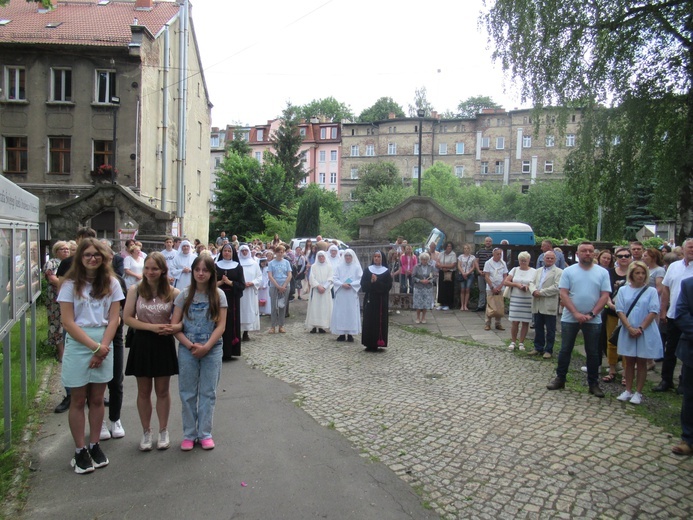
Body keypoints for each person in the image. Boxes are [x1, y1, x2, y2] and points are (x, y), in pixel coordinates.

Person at [57, 238, 125, 473]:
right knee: (78, 399)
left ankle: (95, 444)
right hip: (79, 342)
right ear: (80, 258)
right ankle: (79, 450)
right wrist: (95, 348)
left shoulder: (112, 283)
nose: (92, 258)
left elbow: (114, 318)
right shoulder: (69, 285)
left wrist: (103, 347)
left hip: (104, 341)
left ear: (104, 258)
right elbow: (67, 321)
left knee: (97, 398)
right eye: (87, 255)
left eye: (97, 254)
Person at [123, 252, 181, 451]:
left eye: (154, 268)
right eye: (147, 268)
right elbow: (127, 318)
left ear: (163, 270)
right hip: (143, 341)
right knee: (144, 391)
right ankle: (146, 431)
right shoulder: (135, 290)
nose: (150, 272)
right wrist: (151, 328)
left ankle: (163, 430)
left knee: (163, 391)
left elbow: (182, 319)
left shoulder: (174, 292)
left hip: (164, 342)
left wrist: (173, 327)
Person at [172, 255, 227, 451]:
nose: (201, 273)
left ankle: (204, 433)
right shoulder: (184, 295)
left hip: (212, 349)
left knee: (208, 392)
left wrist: (206, 347)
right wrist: (189, 345)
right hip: (188, 349)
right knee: (187, 393)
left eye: (205, 270)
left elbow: (220, 326)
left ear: (212, 273)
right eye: (197, 270)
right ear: (193, 271)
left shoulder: (219, 295)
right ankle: (189, 434)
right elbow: (175, 326)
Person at [547, 242, 611, 398]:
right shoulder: (569, 271)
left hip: (593, 319)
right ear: (578, 253)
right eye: (584, 251)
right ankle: (560, 378)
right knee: (565, 349)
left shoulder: (602, 272)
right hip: (570, 318)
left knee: (593, 353)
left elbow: (604, 295)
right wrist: (575, 313)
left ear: (594, 254)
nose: (587, 253)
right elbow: (563, 293)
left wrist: (592, 313)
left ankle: (593, 383)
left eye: (590, 251)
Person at [54, 227, 97, 414]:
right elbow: (61, 287)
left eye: (90, 238)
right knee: (72, 358)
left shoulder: (99, 264)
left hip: (94, 321)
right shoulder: (67, 263)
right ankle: (70, 394)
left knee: (96, 361)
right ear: (78, 240)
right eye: (83, 238)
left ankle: (94, 394)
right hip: (74, 318)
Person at [615, 261, 663, 405]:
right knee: (629, 362)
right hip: (628, 329)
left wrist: (641, 328)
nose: (640, 276)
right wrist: (629, 327)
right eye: (637, 273)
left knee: (641, 362)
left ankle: (638, 392)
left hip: (645, 330)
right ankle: (628, 389)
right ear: (631, 274)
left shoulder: (651, 291)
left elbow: (653, 311)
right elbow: (620, 310)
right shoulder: (624, 290)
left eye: (643, 273)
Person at [654, 238, 693, 392]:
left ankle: (684, 382)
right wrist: (663, 310)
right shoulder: (674, 267)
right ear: (682, 250)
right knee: (670, 349)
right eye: (690, 247)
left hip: (690, 318)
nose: (692, 250)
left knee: (688, 351)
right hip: (673, 314)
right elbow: (666, 290)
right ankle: (666, 380)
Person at [602, 246, 632, 383]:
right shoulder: (609, 273)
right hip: (612, 311)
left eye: (626, 255)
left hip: (630, 313)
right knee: (611, 341)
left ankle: (627, 372)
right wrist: (611, 304)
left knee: (627, 343)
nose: (624, 258)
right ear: (616, 258)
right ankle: (612, 369)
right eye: (620, 256)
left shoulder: (635, 272)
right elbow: (605, 291)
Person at [528, 251, 563, 358]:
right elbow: (531, 282)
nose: (549, 260)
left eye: (552, 258)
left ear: (555, 260)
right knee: (538, 327)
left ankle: (549, 350)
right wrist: (533, 291)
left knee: (550, 329)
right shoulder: (537, 271)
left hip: (549, 303)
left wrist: (541, 292)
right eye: (547, 258)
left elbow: (557, 287)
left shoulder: (559, 272)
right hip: (537, 303)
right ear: (543, 259)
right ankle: (538, 347)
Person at [673, 276, 693, 455]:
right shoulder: (688, 284)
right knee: (690, 395)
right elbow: (681, 313)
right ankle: (688, 438)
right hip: (692, 349)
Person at [215, 243, 245, 360]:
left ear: (233, 253)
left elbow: (241, 285)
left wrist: (229, 282)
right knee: (218, 322)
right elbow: (211, 284)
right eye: (225, 251)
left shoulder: (238, 266)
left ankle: (230, 351)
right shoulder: (216, 265)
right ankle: (218, 350)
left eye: (229, 251)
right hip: (218, 297)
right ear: (222, 252)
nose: (227, 253)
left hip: (232, 299)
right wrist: (222, 283)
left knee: (230, 324)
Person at [43, 241, 70, 361]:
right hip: (56, 298)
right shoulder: (51, 263)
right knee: (57, 323)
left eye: (67, 249)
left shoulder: (71, 263)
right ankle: (61, 353)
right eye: (62, 249)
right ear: (56, 251)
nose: (65, 251)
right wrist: (72, 286)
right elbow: (53, 279)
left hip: (69, 297)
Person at [361, 250, 393, 352]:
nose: (376, 258)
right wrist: (371, 281)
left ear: (382, 258)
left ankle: (378, 342)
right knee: (369, 321)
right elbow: (363, 285)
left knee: (379, 321)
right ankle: (368, 343)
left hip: (380, 301)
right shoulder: (368, 270)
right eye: (375, 256)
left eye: (378, 256)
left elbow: (387, 287)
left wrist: (377, 281)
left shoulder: (386, 272)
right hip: (370, 300)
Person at [504, 251, 536, 351]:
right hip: (516, 298)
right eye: (521, 261)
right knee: (515, 321)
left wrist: (528, 286)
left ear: (529, 261)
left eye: (525, 261)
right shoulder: (514, 270)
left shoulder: (534, 271)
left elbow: (536, 284)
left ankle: (521, 342)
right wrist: (517, 285)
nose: (523, 263)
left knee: (525, 322)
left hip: (527, 299)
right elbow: (506, 281)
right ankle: (513, 341)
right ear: (518, 261)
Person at [331, 249, 362, 342]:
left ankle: (350, 333)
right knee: (341, 313)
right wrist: (342, 284)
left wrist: (351, 284)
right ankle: (341, 333)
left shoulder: (356, 267)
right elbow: (334, 278)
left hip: (351, 293)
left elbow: (360, 279)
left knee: (350, 313)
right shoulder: (339, 267)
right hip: (342, 292)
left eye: (349, 256)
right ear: (344, 257)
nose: (348, 257)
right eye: (346, 256)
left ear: (352, 257)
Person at [305, 251, 333, 333]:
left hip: (325, 291)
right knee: (314, 308)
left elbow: (330, 278)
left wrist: (324, 287)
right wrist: (318, 286)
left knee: (323, 308)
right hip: (316, 290)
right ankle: (313, 325)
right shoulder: (313, 266)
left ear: (325, 257)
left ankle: (322, 326)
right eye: (319, 256)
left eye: (322, 256)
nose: (321, 258)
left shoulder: (329, 267)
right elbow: (311, 278)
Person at [238, 245, 262, 340]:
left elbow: (259, 277)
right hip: (240, 291)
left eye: (246, 251)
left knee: (249, 310)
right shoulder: (236, 263)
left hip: (250, 292)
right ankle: (238, 332)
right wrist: (241, 284)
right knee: (240, 311)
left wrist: (252, 283)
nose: (244, 252)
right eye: (242, 251)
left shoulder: (254, 263)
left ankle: (246, 332)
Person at [267, 245, 292, 334]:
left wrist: (284, 285)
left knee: (282, 306)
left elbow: (289, 275)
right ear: (276, 253)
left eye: (282, 252)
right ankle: (273, 326)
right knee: (274, 306)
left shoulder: (286, 262)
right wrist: (278, 286)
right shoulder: (271, 263)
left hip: (285, 285)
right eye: (279, 252)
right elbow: (270, 276)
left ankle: (281, 325)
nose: (281, 254)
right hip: (274, 286)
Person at [483, 247, 508, 331]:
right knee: (490, 305)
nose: (499, 255)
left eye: (500, 254)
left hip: (500, 287)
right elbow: (486, 276)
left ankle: (498, 323)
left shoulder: (503, 263)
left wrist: (500, 286)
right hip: (491, 287)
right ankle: (487, 323)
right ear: (493, 254)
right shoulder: (488, 263)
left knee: (499, 305)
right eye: (497, 254)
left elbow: (505, 276)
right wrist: (492, 287)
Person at [412, 252, 435, 324]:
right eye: (423, 259)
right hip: (419, 287)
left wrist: (429, 281)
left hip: (427, 287)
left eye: (426, 259)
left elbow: (434, 277)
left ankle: (423, 317)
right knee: (419, 303)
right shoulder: (416, 267)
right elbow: (413, 277)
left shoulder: (431, 267)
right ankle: (418, 317)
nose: (424, 261)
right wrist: (420, 280)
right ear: (420, 260)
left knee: (425, 303)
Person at [475, 237, 494, 311]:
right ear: (484, 242)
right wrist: (479, 270)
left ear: (491, 242)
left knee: (490, 290)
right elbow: (476, 261)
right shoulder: (480, 251)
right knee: (482, 290)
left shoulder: (494, 252)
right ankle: (481, 305)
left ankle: (490, 306)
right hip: (481, 274)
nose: (488, 242)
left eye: (489, 241)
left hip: (490, 275)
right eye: (487, 241)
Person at [457, 244, 478, 311]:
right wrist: (463, 272)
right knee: (462, 289)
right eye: (465, 248)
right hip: (462, 274)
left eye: (467, 248)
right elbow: (459, 265)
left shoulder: (472, 257)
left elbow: (473, 266)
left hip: (469, 274)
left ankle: (466, 305)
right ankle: (462, 305)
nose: (466, 250)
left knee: (467, 289)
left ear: (469, 249)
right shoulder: (460, 257)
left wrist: (468, 273)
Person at [437, 241, 457, 310]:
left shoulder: (453, 254)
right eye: (448, 246)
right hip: (442, 272)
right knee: (441, 288)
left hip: (450, 273)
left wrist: (444, 266)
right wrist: (442, 268)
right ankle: (441, 303)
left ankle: (448, 304)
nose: (449, 247)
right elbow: (438, 263)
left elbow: (453, 264)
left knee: (448, 288)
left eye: (450, 246)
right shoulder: (441, 254)